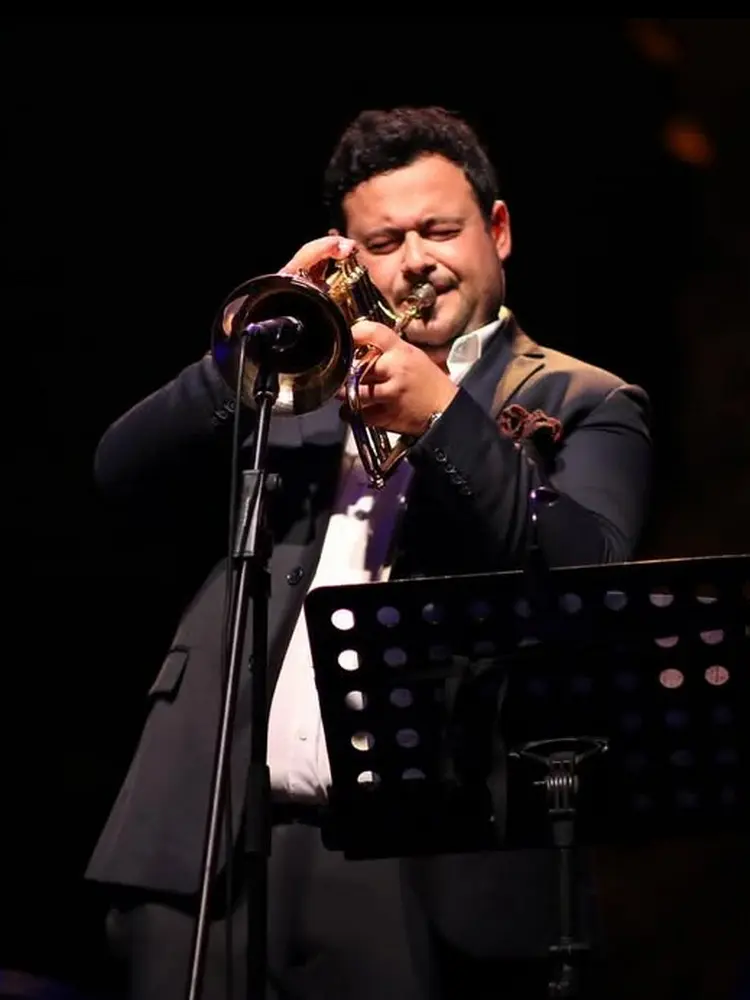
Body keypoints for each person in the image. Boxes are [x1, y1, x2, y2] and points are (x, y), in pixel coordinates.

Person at [85, 106, 652, 999]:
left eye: (440, 230)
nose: (415, 260)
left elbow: (590, 574)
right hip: (212, 849)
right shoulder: (294, 392)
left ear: (498, 232)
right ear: (351, 257)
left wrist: (444, 418)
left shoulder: (587, 399)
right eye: (384, 242)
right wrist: (246, 355)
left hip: (413, 866)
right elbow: (120, 474)